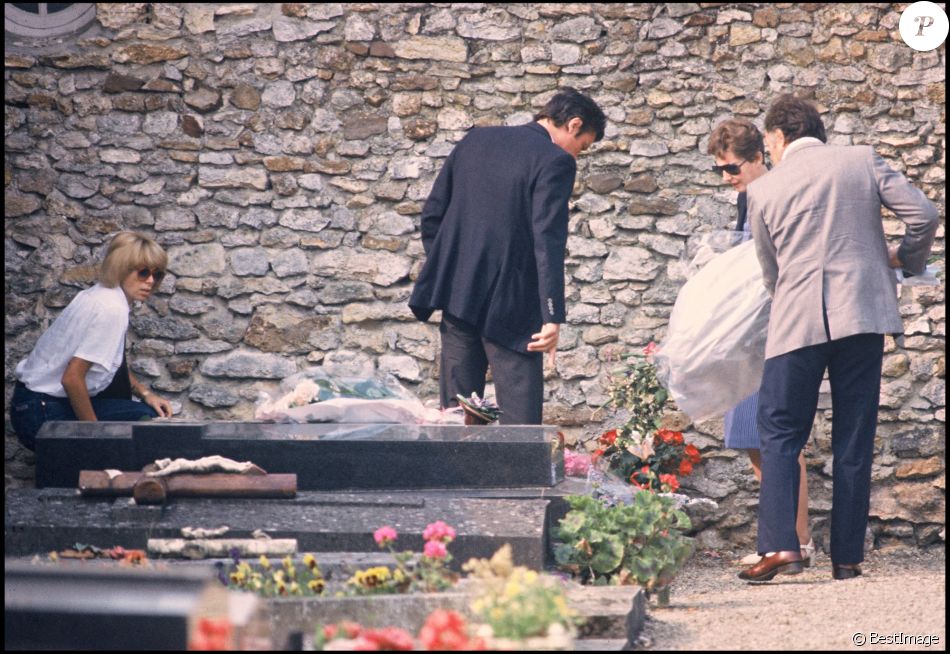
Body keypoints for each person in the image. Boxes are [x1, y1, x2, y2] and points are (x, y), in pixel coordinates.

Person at [739, 95, 939, 582]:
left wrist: (789, 297)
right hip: (862, 316)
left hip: (797, 321)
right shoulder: (862, 160)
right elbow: (925, 216)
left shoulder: (764, 189)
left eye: (768, 141)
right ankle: (847, 559)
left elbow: (771, 271)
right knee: (855, 433)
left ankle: (782, 547)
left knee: (781, 432)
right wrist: (902, 260)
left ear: (780, 136)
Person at [408, 87, 606, 424]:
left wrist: (453, 270)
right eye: (582, 147)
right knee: (521, 428)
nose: (577, 156)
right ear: (574, 125)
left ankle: (455, 477)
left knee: (457, 421)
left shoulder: (476, 140)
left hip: (458, 298)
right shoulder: (555, 160)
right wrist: (551, 314)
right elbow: (548, 240)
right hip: (513, 306)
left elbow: (433, 216)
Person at [706, 118, 815, 569]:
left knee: (778, 438)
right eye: (720, 171)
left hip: (773, 328)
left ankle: (797, 539)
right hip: (748, 333)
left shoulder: (770, 194)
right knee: (755, 439)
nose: (728, 178)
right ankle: (783, 534)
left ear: (757, 159)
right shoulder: (746, 199)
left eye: (732, 169)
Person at [11, 231, 174, 450]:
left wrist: (145, 393)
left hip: (31, 405)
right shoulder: (111, 309)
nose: (150, 281)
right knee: (142, 422)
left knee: (143, 411)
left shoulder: (100, 295)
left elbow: (109, 363)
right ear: (122, 269)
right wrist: (95, 438)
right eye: (143, 272)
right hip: (40, 413)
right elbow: (72, 378)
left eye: (158, 275)